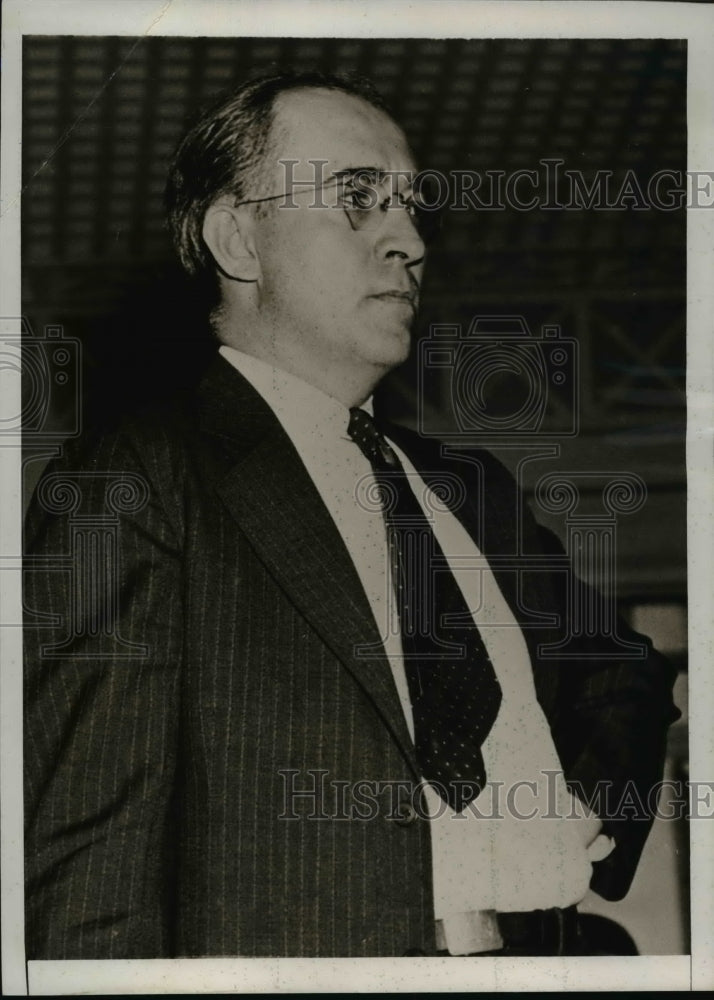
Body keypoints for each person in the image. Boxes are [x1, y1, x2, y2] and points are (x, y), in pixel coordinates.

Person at [23, 69, 679, 960]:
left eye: (413, 208)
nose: (409, 238)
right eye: (358, 200)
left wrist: (586, 804)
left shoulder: (467, 487)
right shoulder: (136, 480)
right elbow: (91, 872)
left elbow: (623, 668)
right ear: (239, 240)